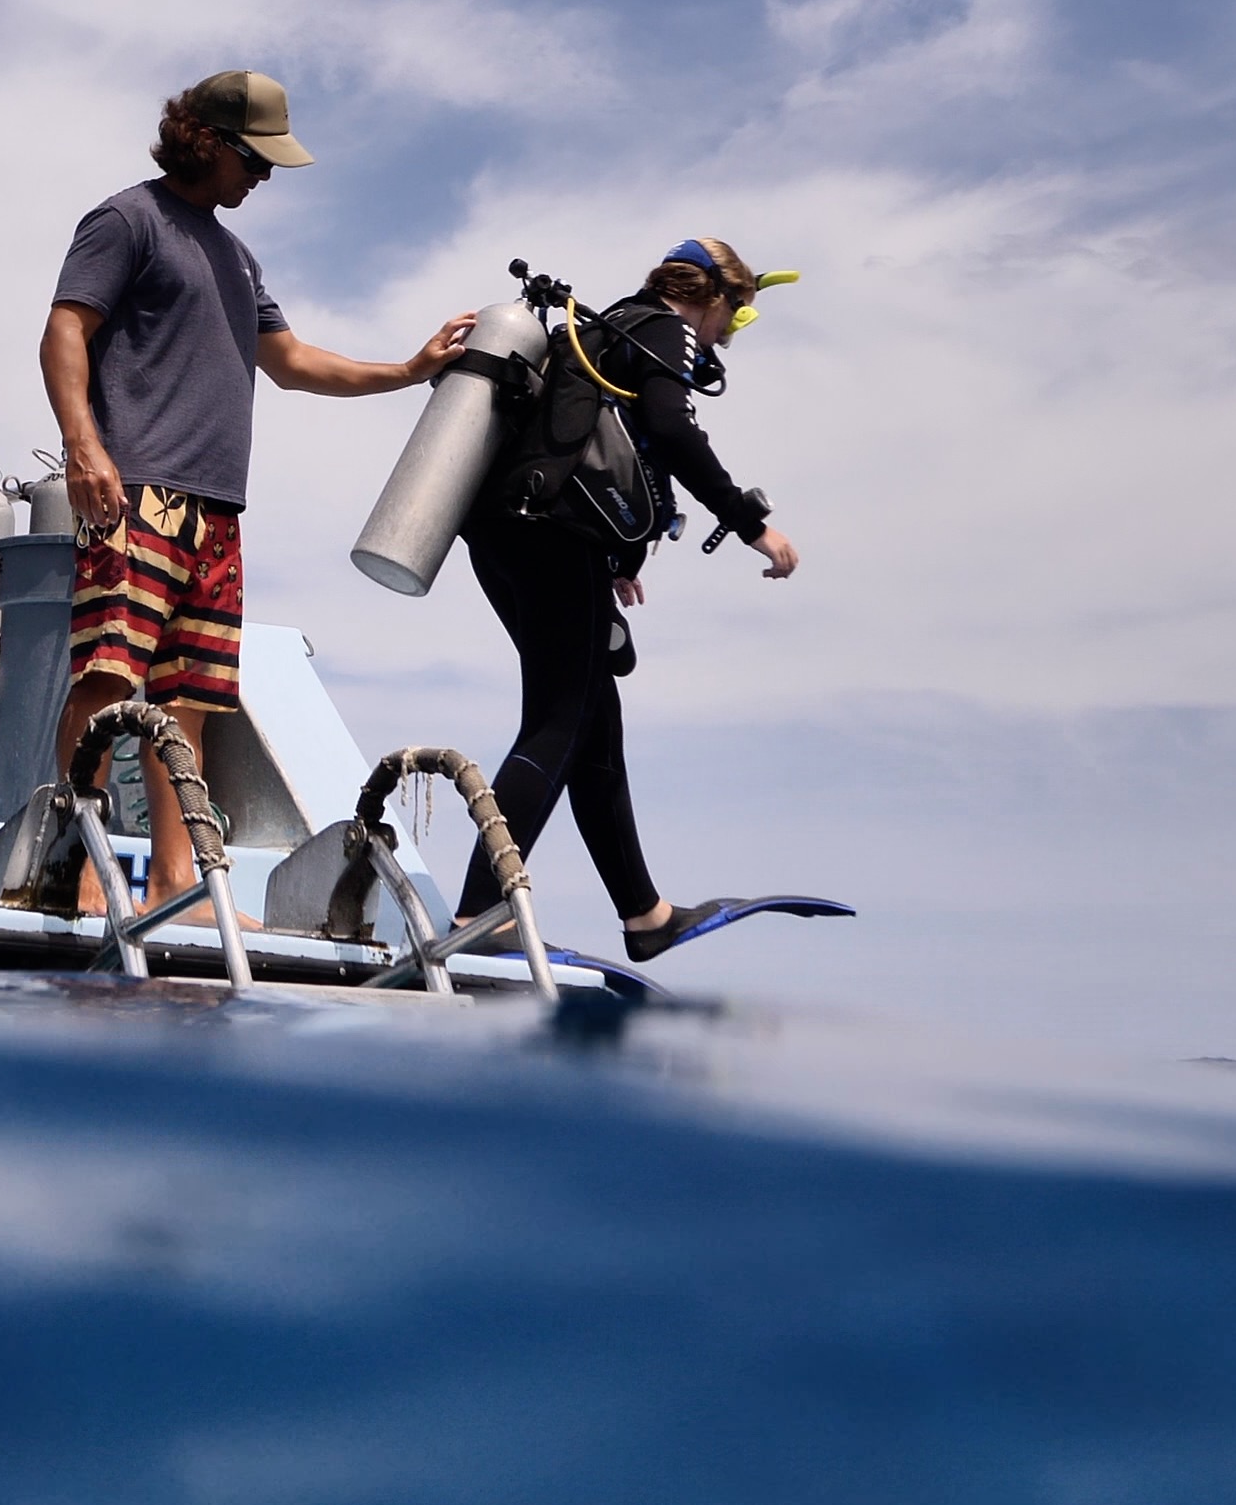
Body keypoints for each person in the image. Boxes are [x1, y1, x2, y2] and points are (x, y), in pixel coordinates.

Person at [42, 71, 473, 920]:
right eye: (255, 159)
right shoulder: (127, 219)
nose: (264, 179)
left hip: (217, 512)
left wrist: (412, 370)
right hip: (138, 493)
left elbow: (295, 363)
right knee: (107, 679)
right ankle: (78, 864)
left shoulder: (238, 259)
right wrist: (83, 446)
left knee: (190, 699)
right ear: (209, 142)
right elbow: (65, 329)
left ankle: (177, 881)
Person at [455, 236, 800, 962]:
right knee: (557, 720)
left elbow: (588, 442)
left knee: (592, 725)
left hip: (504, 534)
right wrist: (752, 525)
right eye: (735, 318)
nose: (726, 337)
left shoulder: (608, 330)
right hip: (552, 538)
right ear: (713, 296)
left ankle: (645, 914)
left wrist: (614, 556)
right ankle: (479, 916)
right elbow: (672, 430)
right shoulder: (664, 327)